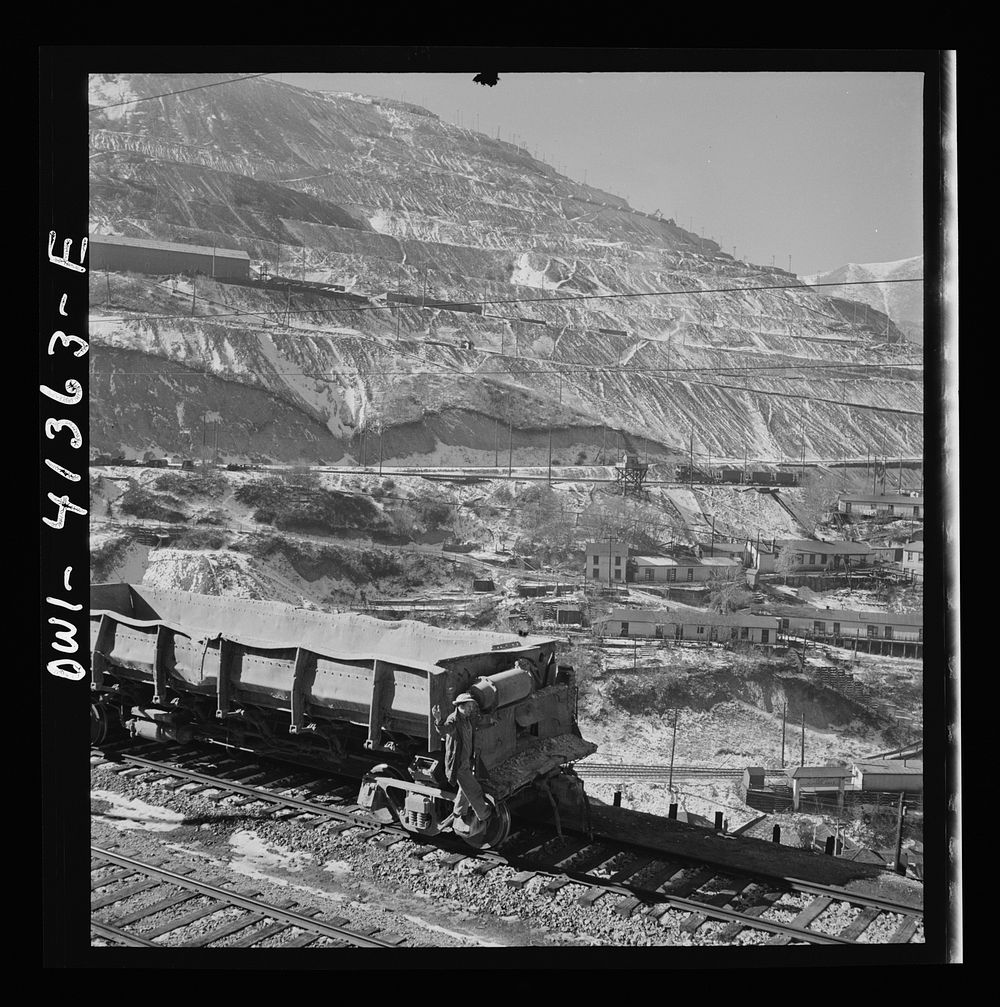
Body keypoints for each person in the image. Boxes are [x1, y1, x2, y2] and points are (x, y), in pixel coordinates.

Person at [432, 693, 491, 824]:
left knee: (464, 790)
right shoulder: (453, 720)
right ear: (461, 706)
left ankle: (458, 814)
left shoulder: (467, 719)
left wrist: (490, 724)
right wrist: (438, 720)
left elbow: (476, 728)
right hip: (458, 764)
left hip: (467, 762)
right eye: (469, 706)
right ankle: (485, 815)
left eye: (471, 706)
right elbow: (443, 730)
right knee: (474, 789)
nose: (471, 709)